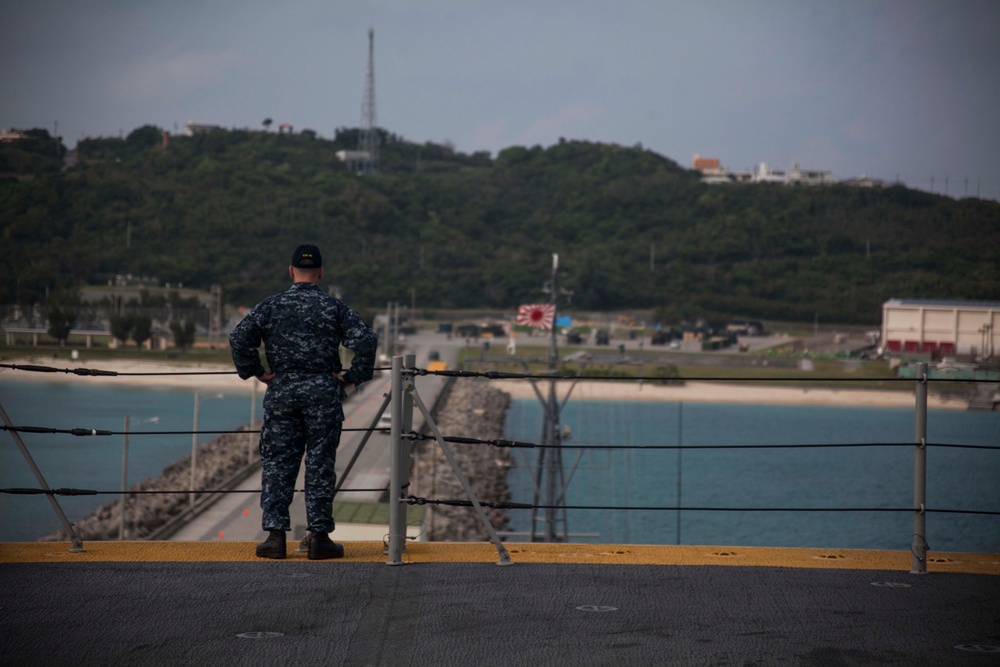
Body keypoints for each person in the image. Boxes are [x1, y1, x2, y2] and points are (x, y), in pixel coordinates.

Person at [229, 244, 378, 560]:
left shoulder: (272, 306)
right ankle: (320, 537)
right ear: (321, 273)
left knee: (278, 463)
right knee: (320, 463)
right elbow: (366, 341)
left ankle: (275, 537)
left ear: (291, 271)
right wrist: (353, 376)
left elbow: (238, 338)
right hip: (324, 393)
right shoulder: (334, 308)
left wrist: (256, 372)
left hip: (282, 393)